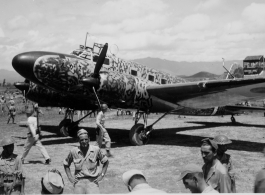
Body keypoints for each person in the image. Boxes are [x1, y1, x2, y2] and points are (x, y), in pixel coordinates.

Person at [63, 129, 109, 194]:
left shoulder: (96, 150)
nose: (84, 141)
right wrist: (70, 177)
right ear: (78, 140)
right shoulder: (73, 151)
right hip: (79, 182)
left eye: (86, 139)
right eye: (81, 140)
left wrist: (102, 175)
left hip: (92, 182)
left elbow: (106, 162)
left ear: (89, 139)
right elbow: (66, 164)